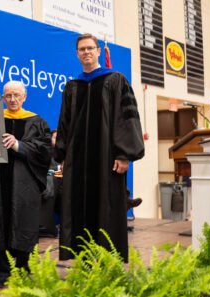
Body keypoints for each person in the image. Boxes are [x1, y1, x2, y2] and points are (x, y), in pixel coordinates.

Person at [54, 33, 145, 262]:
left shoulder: (116, 80)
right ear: (77, 54)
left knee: (107, 208)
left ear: (97, 51)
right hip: (77, 161)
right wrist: (62, 154)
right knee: (78, 208)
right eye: (82, 49)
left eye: (90, 48)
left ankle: (108, 261)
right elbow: (64, 123)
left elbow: (127, 119)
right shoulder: (72, 86)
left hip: (107, 159)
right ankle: (84, 260)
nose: (86, 52)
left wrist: (124, 154)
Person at [0, 80, 52, 288]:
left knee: (24, 223)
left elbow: (45, 151)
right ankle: (1, 272)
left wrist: (19, 145)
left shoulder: (37, 121)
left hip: (25, 184)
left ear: (24, 97)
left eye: (17, 95)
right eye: (8, 95)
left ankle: (22, 269)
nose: (12, 99)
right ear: (2, 97)